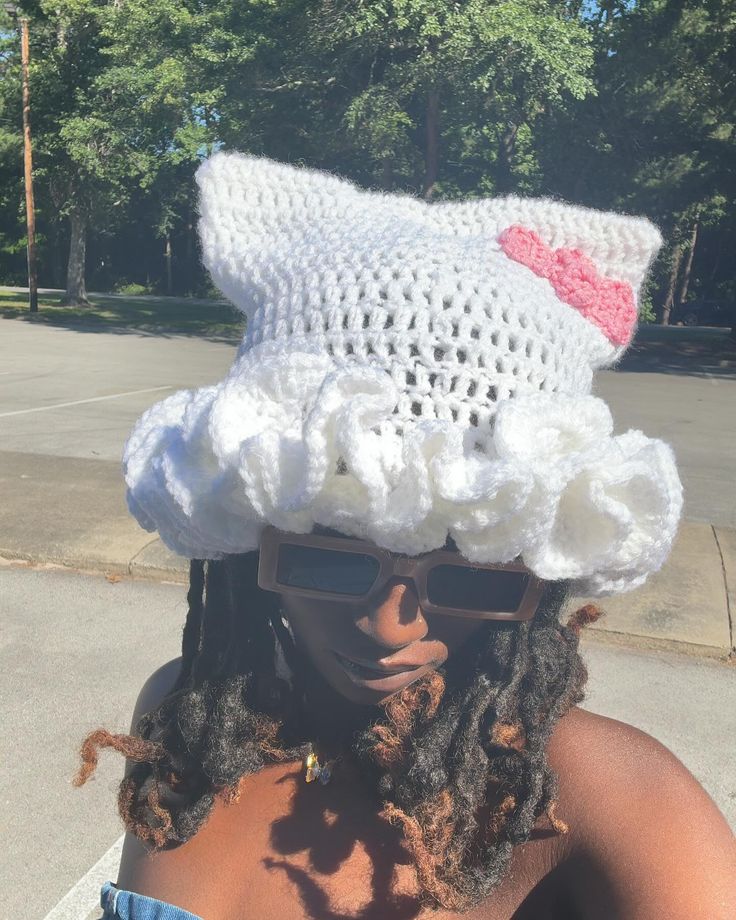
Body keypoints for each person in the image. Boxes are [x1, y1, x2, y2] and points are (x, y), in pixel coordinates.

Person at [75, 152, 736, 919]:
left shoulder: (619, 805)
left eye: (470, 577)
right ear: (252, 538)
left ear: (539, 570)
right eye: (328, 561)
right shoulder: (187, 720)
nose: (391, 627)